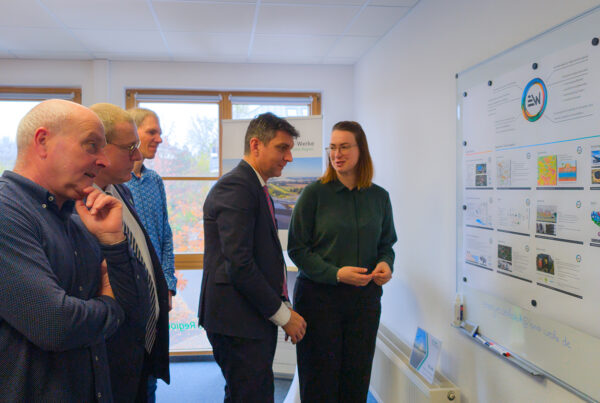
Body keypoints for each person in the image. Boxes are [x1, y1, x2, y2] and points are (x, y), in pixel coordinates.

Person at [0, 99, 144, 401]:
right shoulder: (7, 211)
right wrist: (109, 301)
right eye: (91, 146)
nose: (103, 160)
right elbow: (56, 326)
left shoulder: (80, 214)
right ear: (43, 142)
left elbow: (133, 304)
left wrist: (113, 240)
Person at [199, 112, 307, 402]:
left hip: (248, 318)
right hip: (237, 322)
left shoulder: (256, 187)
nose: (289, 157)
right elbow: (241, 265)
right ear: (256, 145)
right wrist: (284, 316)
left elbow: (262, 258)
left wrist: (282, 302)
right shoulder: (237, 186)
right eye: (282, 148)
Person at [288, 120, 397, 403]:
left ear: (361, 150)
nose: (337, 154)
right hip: (319, 301)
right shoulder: (314, 194)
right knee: (319, 383)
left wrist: (386, 263)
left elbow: (387, 245)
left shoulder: (379, 197)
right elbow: (297, 249)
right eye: (333, 147)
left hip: (364, 303)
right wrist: (336, 274)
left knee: (356, 381)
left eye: (345, 147)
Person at [89, 103, 171, 402]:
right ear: (97, 148)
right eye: (129, 147)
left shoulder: (119, 190)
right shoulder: (79, 208)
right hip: (114, 345)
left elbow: (160, 237)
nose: (136, 155)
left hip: (143, 341)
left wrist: (165, 287)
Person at [125, 107, 177, 401]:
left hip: (157, 294)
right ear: (133, 135)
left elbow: (165, 235)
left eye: (159, 132)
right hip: (129, 296)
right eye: (152, 132)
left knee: (152, 375)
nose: (159, 138)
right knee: (131, 373)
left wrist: (167, 283)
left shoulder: (154, 181)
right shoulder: (115, 184)